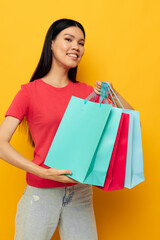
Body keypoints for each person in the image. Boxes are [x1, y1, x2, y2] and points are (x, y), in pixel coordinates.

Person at [0, 18, 133, 240]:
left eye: (81, 43)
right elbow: (1, 144)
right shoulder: (29, 92)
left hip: (80, 193)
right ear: (51, 44)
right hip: (40, 194)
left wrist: (113, 94)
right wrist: (42, 171)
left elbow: (129, 121)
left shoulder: (88, 93)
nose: (76, 47)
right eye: (68, 39)